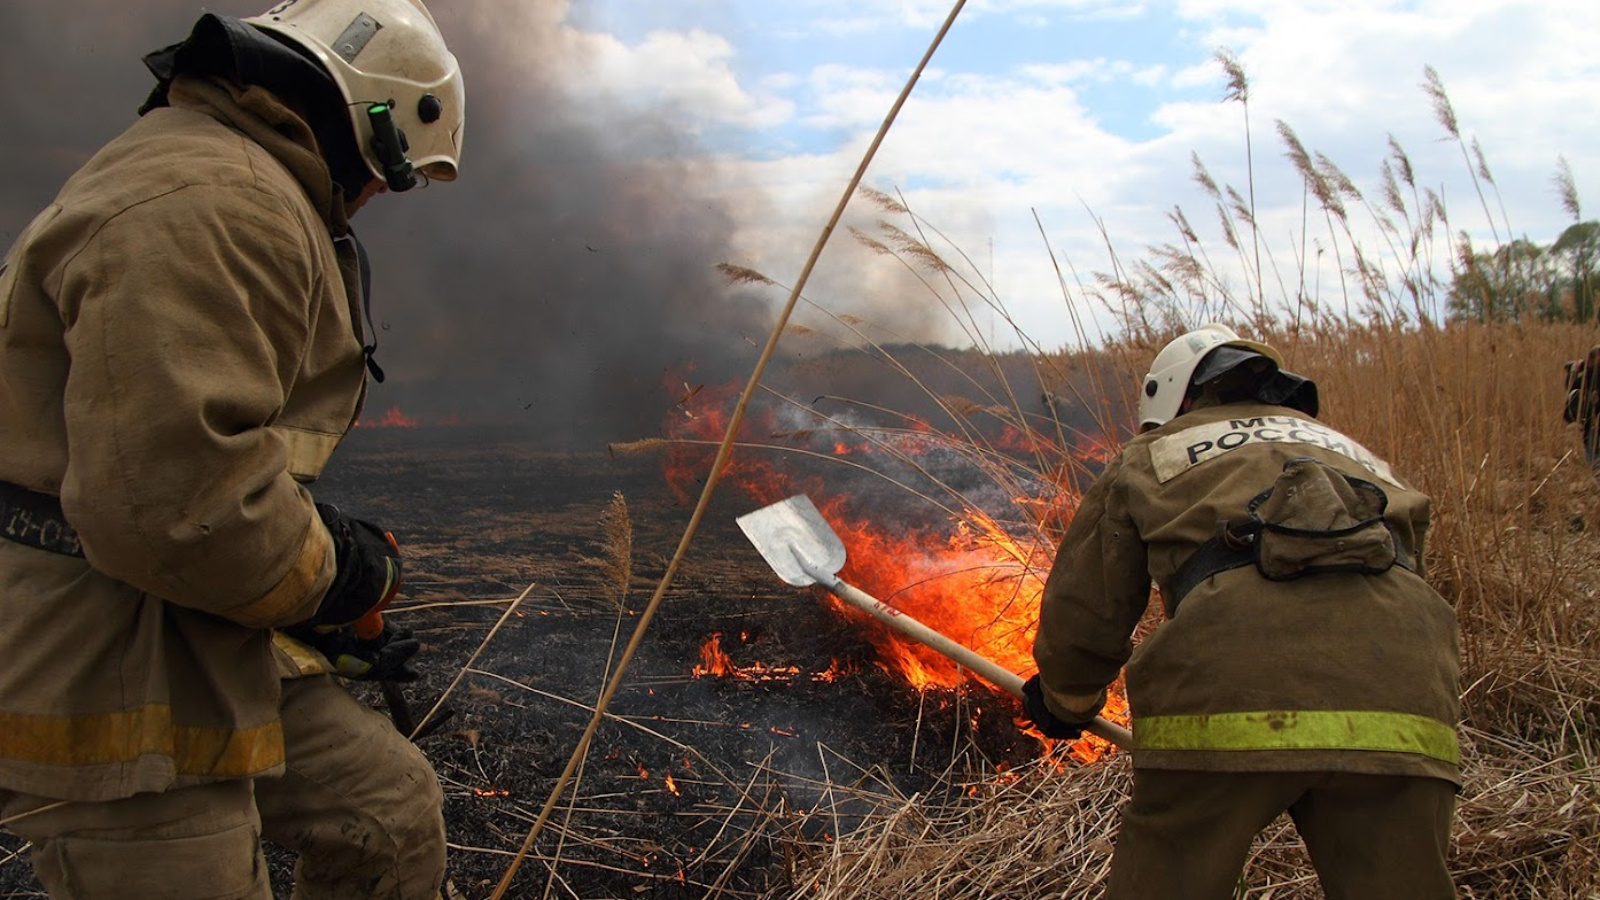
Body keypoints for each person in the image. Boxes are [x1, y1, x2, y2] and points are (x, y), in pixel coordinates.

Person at [0, 0, 464, 896]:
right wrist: (341, 576)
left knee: (388, 815)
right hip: (105, 662)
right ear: (374, 125)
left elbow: (172, 460)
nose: (373, 197)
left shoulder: (226, 174)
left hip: (182, 614)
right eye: (387, 175)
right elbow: (176, 507)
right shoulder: (216, 200)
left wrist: (305, 612)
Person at [1022, 324, 1461, 899]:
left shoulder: (1150, 455)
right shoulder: (1361, 457)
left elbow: (1088, 607)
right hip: (1405, 700)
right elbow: (1401, 577)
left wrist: (1067, 700)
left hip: (1229, 695)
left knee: (1169, 875)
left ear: (1174, 397)